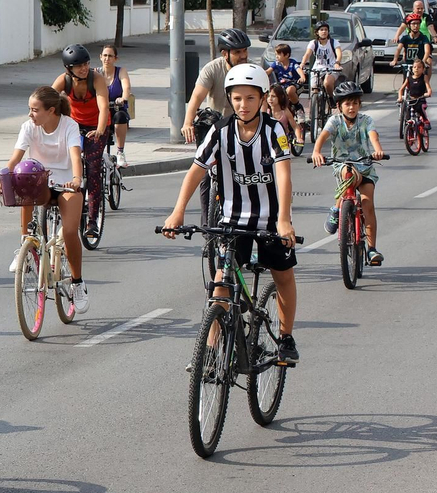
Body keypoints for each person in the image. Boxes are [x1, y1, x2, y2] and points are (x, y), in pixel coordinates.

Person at [162, 64, 300, 365]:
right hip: (232, 220)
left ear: (263, 98)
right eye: (237, 98)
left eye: (250, 98)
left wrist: (284, 220)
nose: (243, 105)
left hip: (270, 220)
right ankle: (210, 353)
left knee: (284, 274)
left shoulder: (274, 130)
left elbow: (283, 175)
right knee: (221, 286)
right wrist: (178, 211)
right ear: (229, 98)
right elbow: (197, 170)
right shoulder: (221, 130)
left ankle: (286, 337)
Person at [0, 86, 90, 312]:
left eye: (35, 110)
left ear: (51, 110)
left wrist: (76, 179)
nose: (30, 114)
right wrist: (1, 179)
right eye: (29, 109)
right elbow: (15, 159)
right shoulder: (28, 128)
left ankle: (77, 283)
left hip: (66, 184)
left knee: (69, 231)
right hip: (40, 183)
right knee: (21, 182)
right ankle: (25, 244)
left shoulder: (69, 125)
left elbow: (76, 155)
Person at [312, 81, 387, 266]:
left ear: (359, 104)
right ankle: (337, 209)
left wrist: (378, 150)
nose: (351, 107)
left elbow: (373, 136)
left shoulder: (366, 120)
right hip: (342, 165)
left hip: (365, 166)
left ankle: (371, 249)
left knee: (368, 203)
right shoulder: (334, 121)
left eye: (354, 103)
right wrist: (316, 152)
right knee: (348, 172)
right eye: (347, 103)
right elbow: (323, 136)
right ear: (339, 106)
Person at [50, 44, 110, 239]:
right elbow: (47, 99)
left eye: (86, 64)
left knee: (93, 169)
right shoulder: (64, 81)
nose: (84, 68)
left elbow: (103, 107)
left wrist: (100, 130)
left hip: (97, 127)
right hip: (75, 126)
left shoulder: (97, 79)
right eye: (78, 66)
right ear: (69, 69)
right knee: (65, 161)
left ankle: (92, 221)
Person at [182, 27, 254, 143]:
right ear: (225, 54)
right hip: (217, 126)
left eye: (245, 50)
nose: (243, 56)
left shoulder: (253, 70)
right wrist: (187, 123)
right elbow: (197, 97)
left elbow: (263, 101)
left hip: (244, 128)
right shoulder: (212, 69)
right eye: (237, 52)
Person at [99, 44, 135, 167]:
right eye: (104, 55)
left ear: (115, 58)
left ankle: (120, 152)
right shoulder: (96, 73)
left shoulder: (121, 71)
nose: (107, 59)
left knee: (120, 116)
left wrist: (123, 98)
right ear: (100, 57)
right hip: (101, 110)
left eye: (110, 56)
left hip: (116, 108)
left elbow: (126, 87)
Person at [269, 43, 307, 147]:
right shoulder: (276, 64)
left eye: (278, 54)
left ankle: (297, 106)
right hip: (281, 87)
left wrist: (302, 77)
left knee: (290, 91)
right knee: (272, 92)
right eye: (276, 54)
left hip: (293, 85)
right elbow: (268, 71)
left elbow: (299, 70)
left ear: (286, 55)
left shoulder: (292, 63)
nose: (276, 56)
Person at [300, 20, 343, 100]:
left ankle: (331, 98)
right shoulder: (313, 43)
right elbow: (307, 54)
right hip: (317, 68)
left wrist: (337, 63)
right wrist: (302, 63)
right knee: (314, 87)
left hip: (331, 68)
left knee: (327, 83)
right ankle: (315, 106)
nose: (324, 32)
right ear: (317, 32)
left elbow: (339, 53)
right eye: (321, 30)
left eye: (326, 30)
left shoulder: (334, 42)